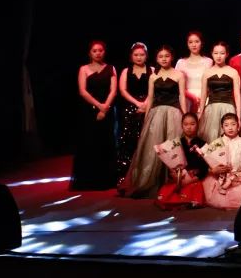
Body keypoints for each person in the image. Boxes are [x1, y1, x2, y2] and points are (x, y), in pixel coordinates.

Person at [119, 45, 185, 198]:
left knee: (172, 147)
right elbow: (150, 98)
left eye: (167, 56)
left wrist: (184, 114)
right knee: (153, 148)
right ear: (156, 59)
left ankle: (173, 182)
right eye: (160, 56)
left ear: (171, 57)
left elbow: (181, 96)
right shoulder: (153, 77)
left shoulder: (179, 75)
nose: (164, 59)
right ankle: (151, 182)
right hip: (156, 113)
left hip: (173, 113)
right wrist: (147, 117)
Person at [72, 40, 119, 190]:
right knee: (89, 143)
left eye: (100, 50)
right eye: (94, 51)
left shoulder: (111, 68)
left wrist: (105, 108)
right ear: (89, 53)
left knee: (106, 142)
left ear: (104, 52)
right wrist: (99, 106)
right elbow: (82, 91)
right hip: (89, 111)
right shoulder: (84, 69)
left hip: (107, 109)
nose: (98, 53)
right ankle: (89, 180)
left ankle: (107, 179)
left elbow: (113, 91)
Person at [155, 112, 208, 210]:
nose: (189, 127)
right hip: (179, 176)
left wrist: (193, 178)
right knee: (168, 191)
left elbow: (204, 167)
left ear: (197, 125)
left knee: (195, 188)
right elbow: (170, 161)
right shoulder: (177, 143)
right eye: (186, 124)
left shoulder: (202, 144)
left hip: (193, 178)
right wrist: (175, 174)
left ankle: (188, 202)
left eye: (192, 124)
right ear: (182, 126)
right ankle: (176, 202)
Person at [116, 42, 151, 180]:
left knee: (147, 139)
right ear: (131, 56)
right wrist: (137, 103)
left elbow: (154, 89)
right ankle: (127, 176)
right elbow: (123, 90)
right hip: (131, 108)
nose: (139, 57)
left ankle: (147, 174)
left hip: (148, 107)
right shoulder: (126, 71)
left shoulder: (152, 70)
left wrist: (145, 103)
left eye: (142, 55)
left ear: (146, 56)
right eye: (136, 55)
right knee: (129, 140)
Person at [202, 113, 241, 209]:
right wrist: (214, 170)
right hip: (220, 177)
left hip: (237, 177)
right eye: (226, 125)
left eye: (233, 124)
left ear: (238, 126)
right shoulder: (216, 143)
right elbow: (210, 162)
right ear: (222, 127)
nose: (230, 128)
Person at [198, 42, 241, 143]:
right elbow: (204, 94)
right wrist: (200, 113)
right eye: (216, 53)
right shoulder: (207, 72)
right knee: (211, 137)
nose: (219, 56)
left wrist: (238, 116)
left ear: (227, 54)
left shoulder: (233, 72)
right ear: (212, 54)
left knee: (228, 138)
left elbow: (237, 95)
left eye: (222, 53)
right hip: (211, 108)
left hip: (228, 107)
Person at [175, 32, 213, 114]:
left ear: (201, 43)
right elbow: (176, 85)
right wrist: (192, 97)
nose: (194, 45)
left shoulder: (208, 62)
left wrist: (202, 97)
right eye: (190, 42)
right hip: (186, 99)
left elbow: (211, 84)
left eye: (197, 41)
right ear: (187, 44)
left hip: (204, 99)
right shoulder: (181, 63)